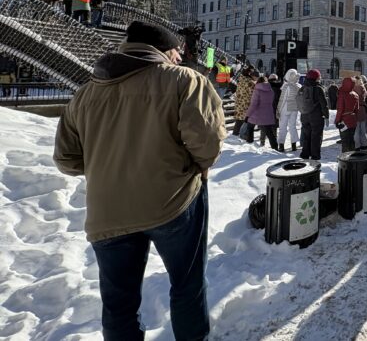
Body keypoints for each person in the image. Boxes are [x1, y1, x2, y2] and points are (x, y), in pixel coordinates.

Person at [53, 21, 225, 339]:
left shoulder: (85, 94)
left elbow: (66, 158)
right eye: (176, 52)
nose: (179, 58)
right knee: (187, 285)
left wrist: (107, 167)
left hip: (108, 212)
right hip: (173, 202)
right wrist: (195, 167)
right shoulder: (185, 79)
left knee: (118, 304)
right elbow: (207, 144)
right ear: (166, 51)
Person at [297, 69, 329, 160]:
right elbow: (324, 104)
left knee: (306, 136)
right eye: (319, 76)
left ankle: (305, 154)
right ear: (316, 78)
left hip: (304, 115)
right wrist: (326, 116)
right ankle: (315, 155)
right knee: (316, 136)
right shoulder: (318, 88)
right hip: (316, 117)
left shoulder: (302, 88)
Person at [248, 76, 279, 150]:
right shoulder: (270, 90)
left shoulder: (257, 90)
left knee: (250, 127)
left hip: (258, 113)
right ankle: (275, 148)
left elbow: (254, 104)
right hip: (268, 112)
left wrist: (248, 115)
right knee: (269, 132)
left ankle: (249, 144)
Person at [277, 69, 302, 153]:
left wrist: (278, 110)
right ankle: (293, 145)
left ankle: (281, 145)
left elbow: (282, 99)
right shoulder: (298, 86)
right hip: (294, 109)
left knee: (282, 127)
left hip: (285, 108)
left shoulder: (286, 86)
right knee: (292, 126)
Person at [336, 77, 360, 152]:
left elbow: (340, 109)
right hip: (353, 120)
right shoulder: (356, 95)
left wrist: (337, 121)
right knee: (351, 140)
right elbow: (357, 110)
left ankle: (345, 157)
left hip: (344, 120)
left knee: (345, 141)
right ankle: (352, 156)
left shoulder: (342, 94)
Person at [232, 68, 256, 139]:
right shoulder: (250, 82)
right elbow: (253, 92)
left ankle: (235, 133)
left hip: (239, 101)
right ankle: (242, 134)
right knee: (244, 119)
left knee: (239, 119)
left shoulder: (241, 79)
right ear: (249, 73)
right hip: (246, 102)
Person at [353, 76, 367, 150]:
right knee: (363, 128)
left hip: (355, 109)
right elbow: (365, 97)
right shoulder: (363, 88)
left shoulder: (352, 88)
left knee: (356, 129)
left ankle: (357, 145)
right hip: (362, 109)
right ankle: (364, 144)